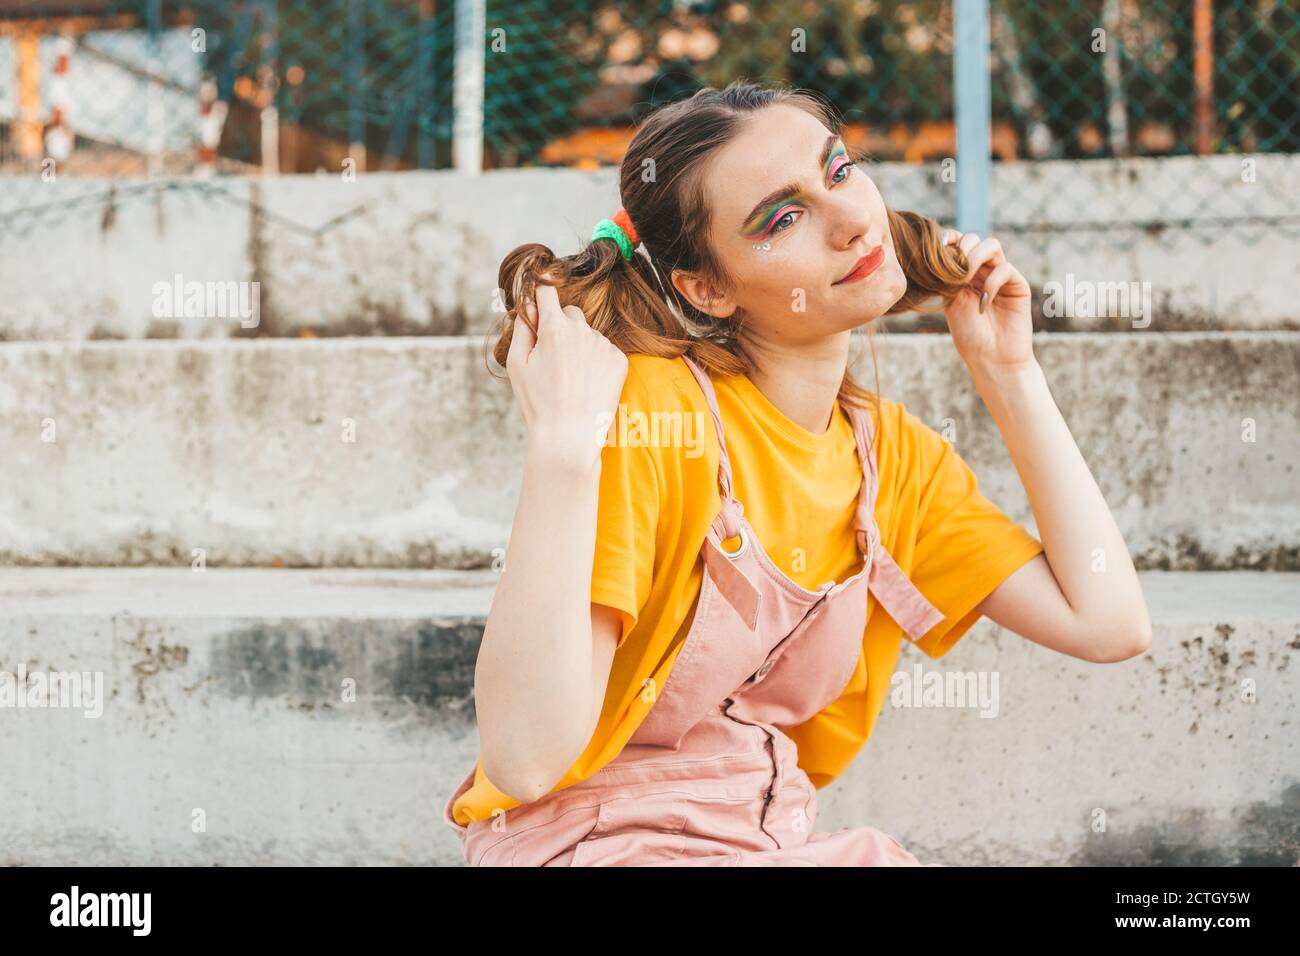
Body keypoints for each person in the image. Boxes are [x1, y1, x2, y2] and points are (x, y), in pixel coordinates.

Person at [442, 80, 1153, 866]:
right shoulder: (661, 412)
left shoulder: (893, 459)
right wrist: (564, 449)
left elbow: (1110, 623)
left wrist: (1010, 375)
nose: (852, 220)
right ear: (705, 288)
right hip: (593, 842)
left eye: (840, 171)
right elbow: (522, 759)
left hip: (763, 838)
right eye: (784, 218)